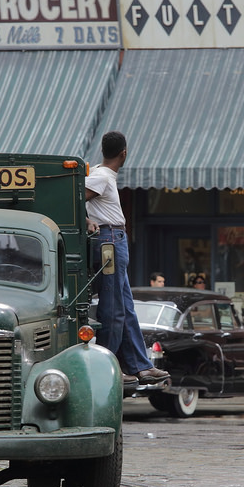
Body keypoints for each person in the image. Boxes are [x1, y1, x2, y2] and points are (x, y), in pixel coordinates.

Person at [85, 130, 169, 387]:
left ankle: (140, 366)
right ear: (124, 153)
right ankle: (107, 364)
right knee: (113, 309)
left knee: (126, 308)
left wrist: (88, 218)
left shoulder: (100, 173)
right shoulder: (101, 176)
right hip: (109, 239)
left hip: (114, 239)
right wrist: (87, 220)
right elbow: (72, 198)